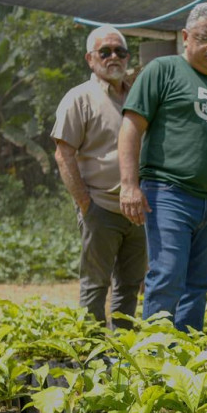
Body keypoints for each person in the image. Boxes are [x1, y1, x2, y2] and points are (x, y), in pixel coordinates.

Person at [117, 3, 207, 332]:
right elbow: (131, 127)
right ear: (185, 38)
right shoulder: (162, 70)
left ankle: (186, 355)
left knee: (199, 284)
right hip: (168, 193)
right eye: (205, 38)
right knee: (167, 276)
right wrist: (128, 184)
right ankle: (156, 358)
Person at [51, 25, 146, 330]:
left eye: (120, 51)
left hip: (139, 213)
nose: (114, 57)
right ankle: (92, 358)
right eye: (105, 52)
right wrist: (85, 204)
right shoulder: (79, 98)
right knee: (95, 287)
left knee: (130, 286)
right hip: (100, 208)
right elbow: (63, 154)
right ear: (90, 59)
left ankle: (121, 354)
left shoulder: (138, 97)